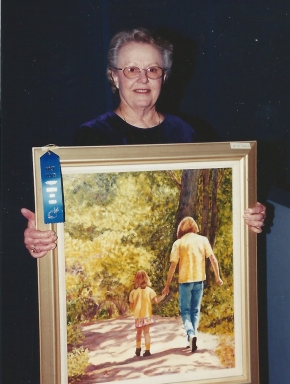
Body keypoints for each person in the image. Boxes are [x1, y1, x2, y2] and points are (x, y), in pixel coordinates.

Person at [21, 28, 266, 258]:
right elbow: (74, 218)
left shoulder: (186, 133)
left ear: (164, 77)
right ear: (114, 77)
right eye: (131, 70)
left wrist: (248, 214)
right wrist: (41, 233)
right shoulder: (92, 136)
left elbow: (213, 209)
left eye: (153, 70)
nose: (143, 79)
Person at [162, 217, 223, 353]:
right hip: (199, 280)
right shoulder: (203, 240)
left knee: (185, 311)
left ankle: (191, 334)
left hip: (185, 282)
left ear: (181, 229)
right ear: (194, 227)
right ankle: (192, 337)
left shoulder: (178, 243)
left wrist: (167, 284)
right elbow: (213, 259)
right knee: (195, 311)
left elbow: (173, 265)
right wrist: (217, 277)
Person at [129, 270, 165, 357]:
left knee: (138, 333)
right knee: (146, 333)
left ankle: (138, 349)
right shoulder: (150, 291)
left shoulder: (133, 292)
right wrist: (163, 296)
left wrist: (135, 309)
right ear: (146, 279)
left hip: (138, 316)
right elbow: (156, 301)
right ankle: (147, 350)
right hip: (147, 315)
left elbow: (131, 305)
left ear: (136, 280)